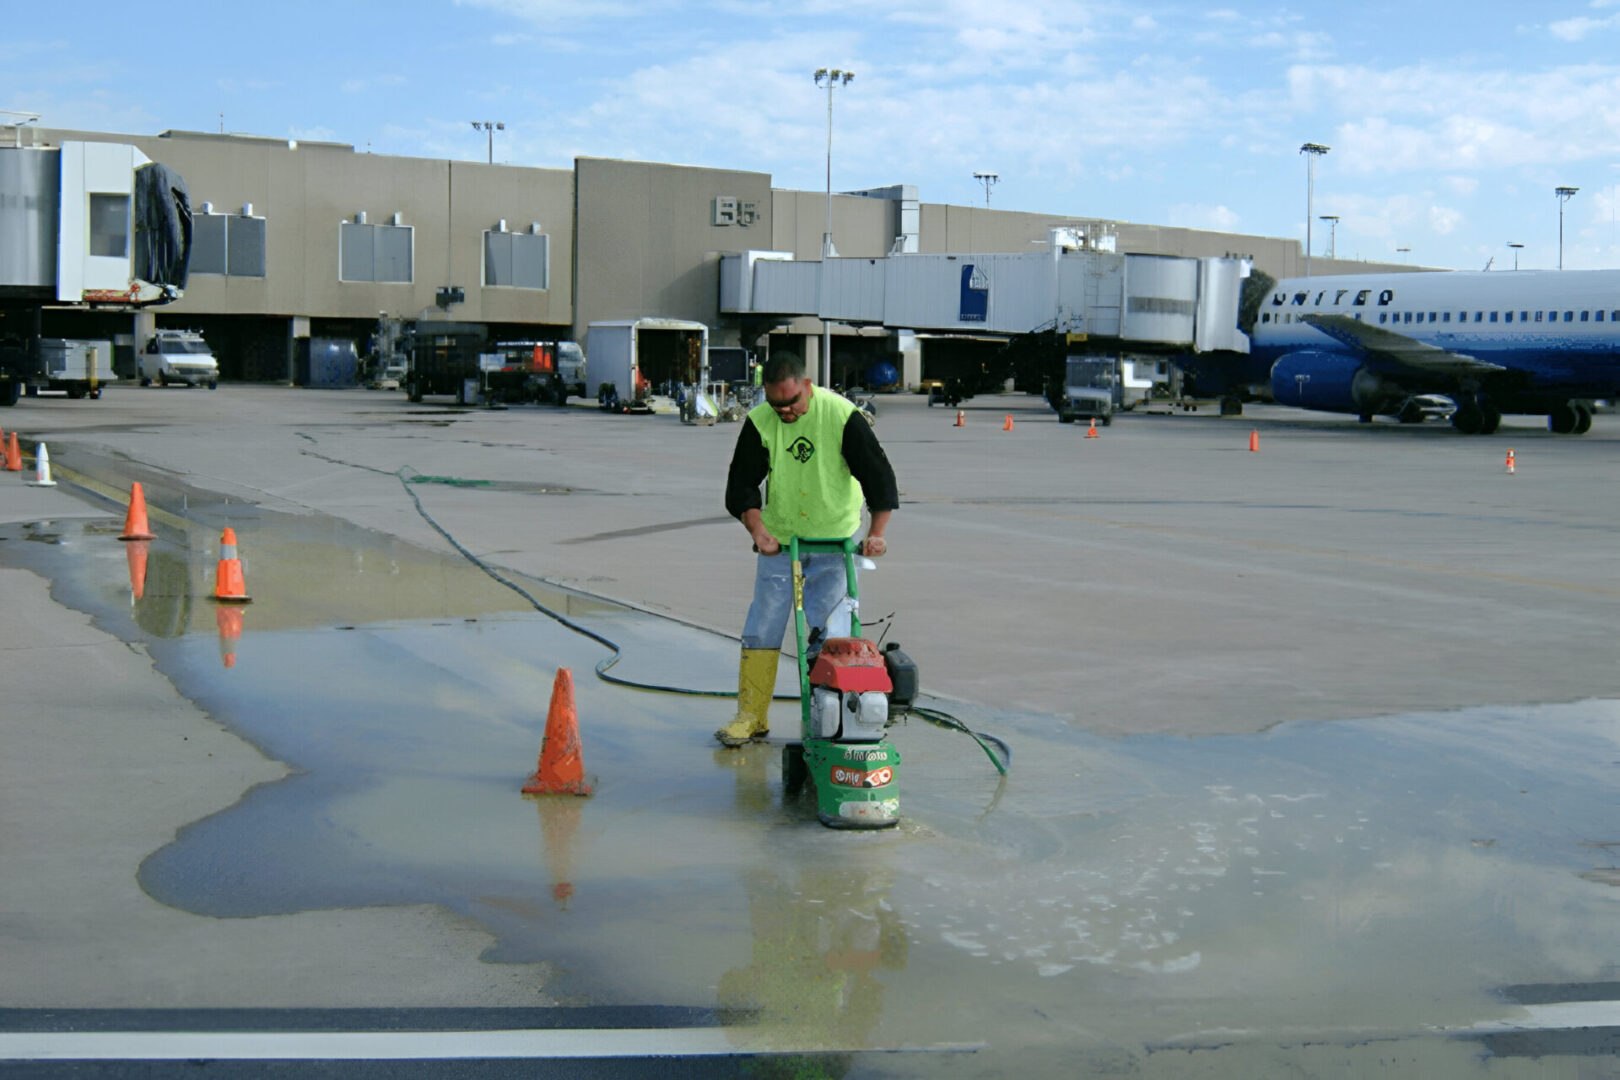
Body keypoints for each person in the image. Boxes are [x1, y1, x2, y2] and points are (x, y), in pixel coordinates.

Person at [717, 351, 899, 747]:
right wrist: (758, 529)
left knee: (830, 635)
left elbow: (878, 476)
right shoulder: (760, 422)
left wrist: (877, 532)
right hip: (780, 545)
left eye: (791, 402)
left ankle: (828, 719)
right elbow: (741, 484)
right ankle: (751, 715)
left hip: (835, 545)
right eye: (775, 403)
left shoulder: (840, 415)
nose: (783, 411)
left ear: (807, 386)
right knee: (763, 625)